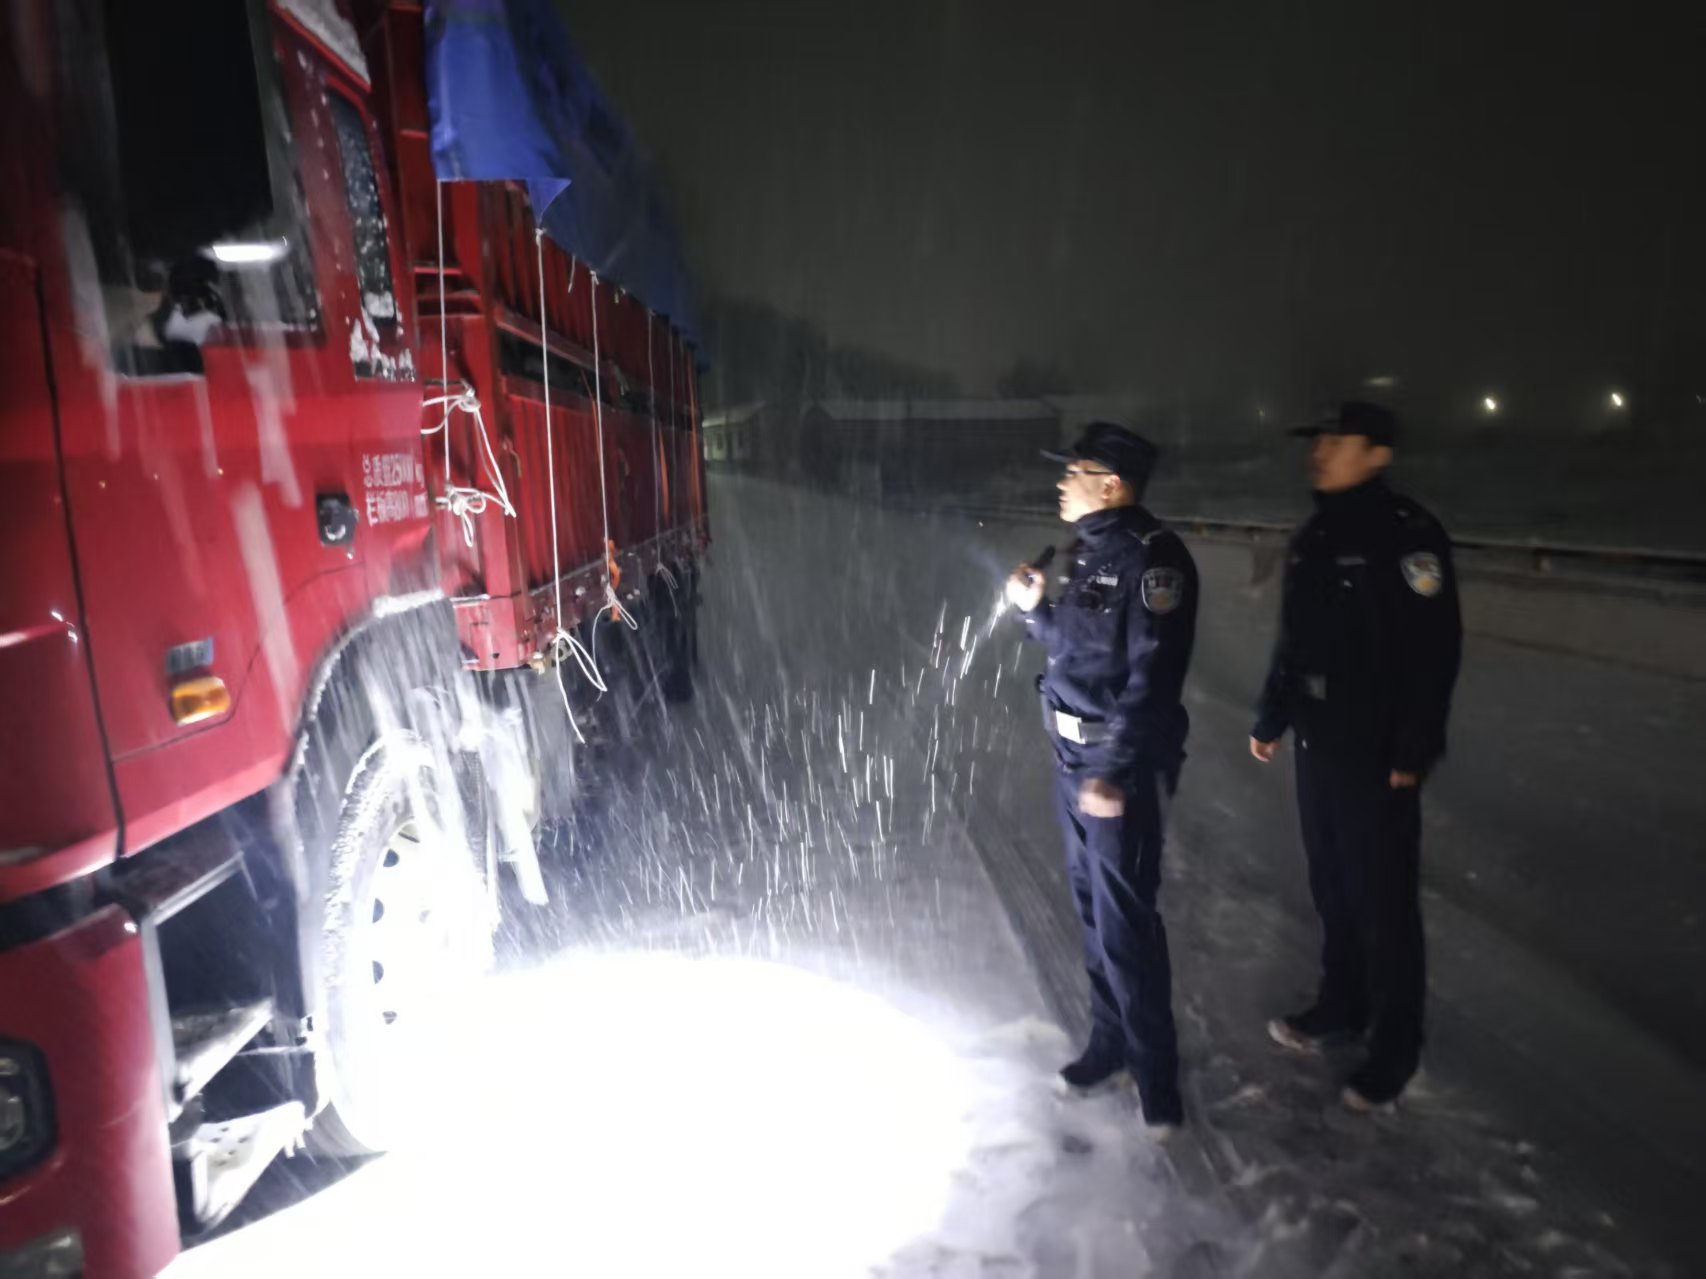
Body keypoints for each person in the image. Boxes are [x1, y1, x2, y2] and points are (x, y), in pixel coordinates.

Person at [1249, 400, 1462, 1110]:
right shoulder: (1314, 535)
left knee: (1385, 900)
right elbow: (1294, 640)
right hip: (1318, 734)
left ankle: (1395, 1044)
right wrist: (1274, 712)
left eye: (1337, 441)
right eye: (1318, 440)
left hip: (1375, 746)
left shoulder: (1407, 536)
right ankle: (1343, 1003)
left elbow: (1434, 649)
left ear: (1377, 454)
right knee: (1333, 882)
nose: (1321, 451)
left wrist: (1414, 744)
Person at [1005, 422, 1198, 1132]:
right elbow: (1078, 654)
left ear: (1111, 483)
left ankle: (1158, 1084)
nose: (1061, 482)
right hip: (1074, 765)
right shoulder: (1091, 557)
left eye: (1073, 471)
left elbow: (1150, 679)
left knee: (1126, 924)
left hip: (1118, 772)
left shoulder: (1154, 561)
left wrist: (1114, 771)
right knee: (1093, 918)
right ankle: (1110, 1046)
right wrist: (1036, 611)